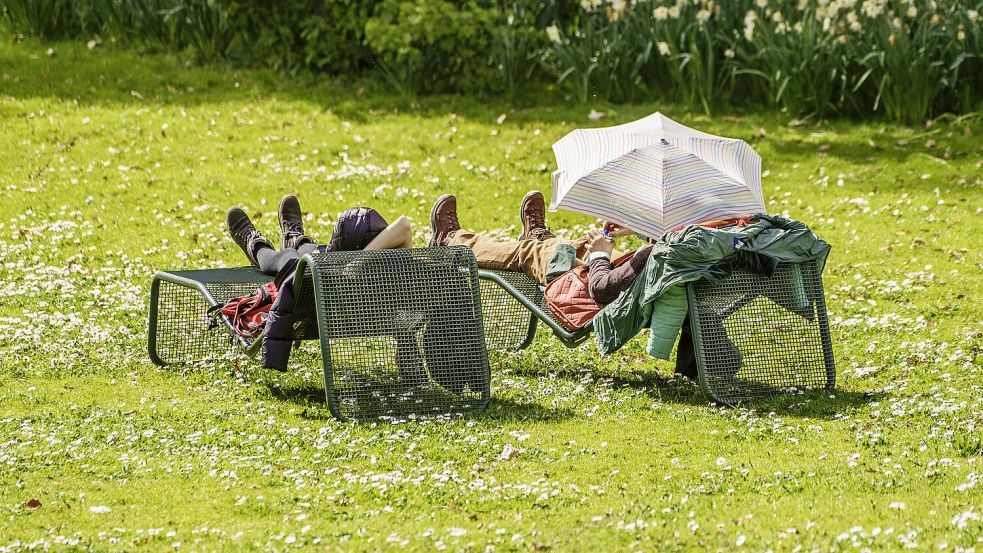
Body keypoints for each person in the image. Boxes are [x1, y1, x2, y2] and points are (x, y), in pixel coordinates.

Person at [427, 191, 698, 377]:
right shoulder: (709, 242)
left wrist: (600, 254)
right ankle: (543, 238)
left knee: (529, 253)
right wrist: (634, 228)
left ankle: (453, 241)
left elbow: (602, 289)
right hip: (639, 287)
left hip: (590, 299)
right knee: (578, 246)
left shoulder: (660, 254)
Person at [226, 194, 412, 276]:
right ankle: (296, 239)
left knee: (287, 261)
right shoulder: (403, 275)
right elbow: (404, 225)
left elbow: (403, 225)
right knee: (316, 254)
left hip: (319, 287)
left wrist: (356, 263)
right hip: (332, 264)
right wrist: (359, 261)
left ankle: (256, 245)